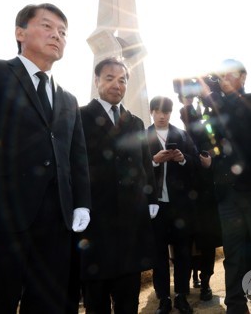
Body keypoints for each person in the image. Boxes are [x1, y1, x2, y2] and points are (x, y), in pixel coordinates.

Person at [0, 3, 92, 314]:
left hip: (56, 226)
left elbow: (76, 157)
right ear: (20, 32)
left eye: (63, 32)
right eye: (48, 27)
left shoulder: (69, 100)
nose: (57, 36)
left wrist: (82, 202)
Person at [197, 59, 251, 314]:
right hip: (227, 195)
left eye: (230, 75)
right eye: (220, 77)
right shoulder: (213, 107)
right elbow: (205, 137)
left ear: (243, 77)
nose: (224, 80)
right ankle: (235, 307)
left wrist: (211, 96)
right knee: (232, 256)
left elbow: (238, 125)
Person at [79, 57, 158, 314]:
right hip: (95, 226)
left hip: (130, 225)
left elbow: (146, 166)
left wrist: (152, 200)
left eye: (122, 80)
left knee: (128, 299)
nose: (117, 84)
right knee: (97, 300)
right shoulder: (80, 118)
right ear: (96, 81)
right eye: (110, 78)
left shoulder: (135, 123)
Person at [147, 96, 199, 314]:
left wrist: (183, 159)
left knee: (183, 252)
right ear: (151, 112)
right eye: (158, 111)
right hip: (155, 206)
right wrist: (153, 161)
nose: (162, 116)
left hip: (180, 206)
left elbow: (196, 161)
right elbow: (133, 171)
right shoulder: (143, 136)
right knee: (158, 254)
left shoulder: (181, 134)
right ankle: (164, 298)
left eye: (166, 112)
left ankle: (181, 295)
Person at [179, 96, 222, 302]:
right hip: (187, 201)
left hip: (205, 200)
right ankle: (187, 284)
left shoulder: (210, 136)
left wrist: (209, 164)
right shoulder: (179, 137)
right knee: (186, 245)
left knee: (206, 244)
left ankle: (205, 282)